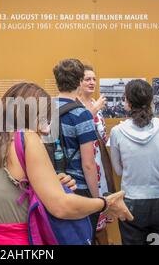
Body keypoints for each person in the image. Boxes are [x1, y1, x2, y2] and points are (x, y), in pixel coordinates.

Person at [0, 82, 133, 245]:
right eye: (43, 118)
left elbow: (8, 194)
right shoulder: (26, 137)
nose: (46, 129)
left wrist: (53, 184)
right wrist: (105, 203)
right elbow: (61, 207)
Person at [110, 79, 159, 245]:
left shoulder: (117, 131)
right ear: (151, 100)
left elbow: (118, 170)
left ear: (128, 101)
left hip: (131, 201)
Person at [52, 59, 105, 239]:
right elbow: (88, 164)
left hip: (49, 185)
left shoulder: (43, 109)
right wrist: (97, 200)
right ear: (79, 81)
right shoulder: (82, 114)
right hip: (77, 188)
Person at [76, 64, 110, 237]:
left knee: (100, 224)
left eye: (94, 79)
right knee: (86, 220)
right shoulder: (77, 105)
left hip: (99, 165)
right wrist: (93, 111)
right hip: (84, 166)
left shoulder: (93, 102)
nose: (92, 82)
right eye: (88, 79)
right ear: (79, 82)